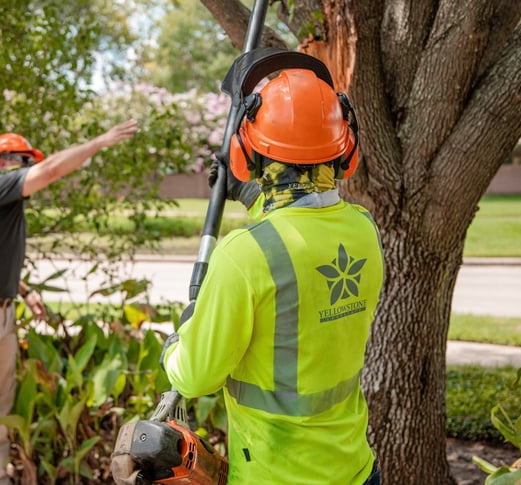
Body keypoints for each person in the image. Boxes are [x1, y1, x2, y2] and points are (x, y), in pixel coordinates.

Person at [160, 54, 384, 484]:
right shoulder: (363, 231)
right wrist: (250, 194)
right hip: (356, 471)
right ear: (345, 152)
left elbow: (195, 376)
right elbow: (302, 225)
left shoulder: (243, 257)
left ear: (246, 154)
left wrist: (177, 341)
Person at [0, 119, 138, 485]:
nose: (26, 164)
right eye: (19, 158)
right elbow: (51, 169)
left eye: (27, 158)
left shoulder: (8, 208)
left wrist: (25, 292)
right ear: (0, 164)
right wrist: (99, 142)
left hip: (0, 312)